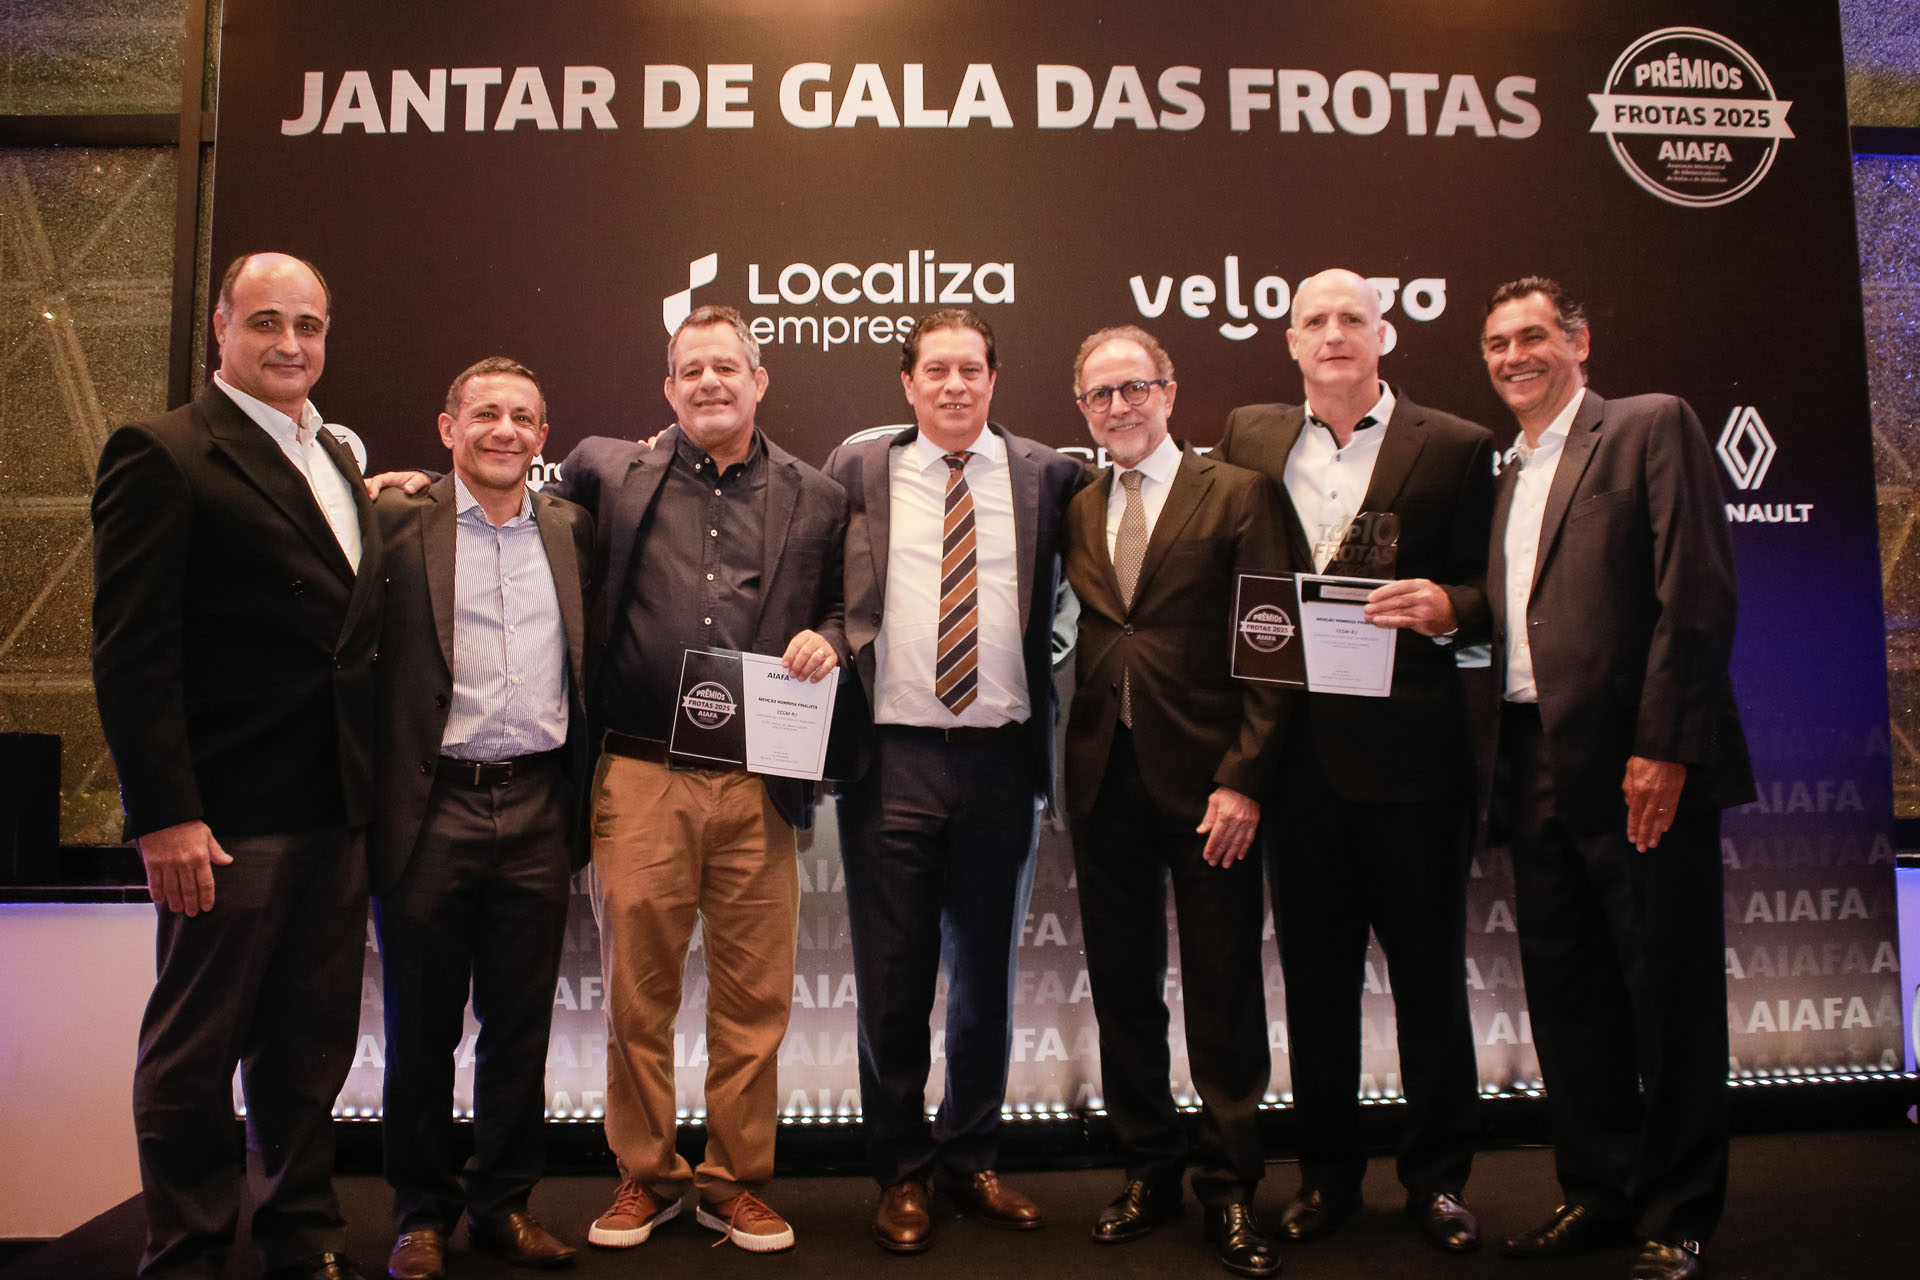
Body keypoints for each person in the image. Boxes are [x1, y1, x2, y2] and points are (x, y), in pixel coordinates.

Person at [91, 252, 381, 1280]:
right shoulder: (164, 451)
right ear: (221, 328)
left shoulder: (332, 456)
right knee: (196, 1049)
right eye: (266, 322)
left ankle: (302, 1231)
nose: (290, 344)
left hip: (335, 807)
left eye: (309, 325)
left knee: (309, 1044)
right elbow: (131, 653)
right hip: (225, 819)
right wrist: (165, 814)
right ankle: (189, 1248)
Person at [545, 305, 847, 1254]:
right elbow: (507, 506)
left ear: (760, 381)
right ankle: (646, 1174)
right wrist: (409, 486)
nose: (711, 381)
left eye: (728, 367)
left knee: (755, 1000)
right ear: (668, 387)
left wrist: (832, 638)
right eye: (692, 369)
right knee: (637, 995)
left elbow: (852, 604)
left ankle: (735, 1181)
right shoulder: (606, 471)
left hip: (761, 779)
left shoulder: (818, 495)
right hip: (642, 772)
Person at [1216, 267, 1493, 1255]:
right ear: (1291, 340)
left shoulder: (1456, 444)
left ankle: (1439, 1179)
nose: (1334, 333)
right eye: (1315, 320)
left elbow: (1495, 590)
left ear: (1386, 334)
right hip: (1296, 767)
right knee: (1316, 987)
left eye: (1352, 318)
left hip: (1415, 765)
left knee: (1430, 984)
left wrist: (1452, 607)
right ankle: (1327, 1175)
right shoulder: (1248, 437)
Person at [1480, 278, 1752, 1280]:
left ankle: (1678, 1211)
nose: (1515, 356)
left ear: (1579, 341)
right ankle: (1596, 1192)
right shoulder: (1505, 470)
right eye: (1498, 343)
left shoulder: (1647, 426)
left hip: (1638, 763)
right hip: (1530, 759)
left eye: (1533, 336)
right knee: (1569, 993)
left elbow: (1696, 592)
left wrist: (1665, 745)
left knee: (1668, 992)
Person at [821, 309, 1084, 1253]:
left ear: (994, 378)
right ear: (908, 383)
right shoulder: (858, 468)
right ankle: (900, 1170)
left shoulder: (1051, 474)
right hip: (891, 758)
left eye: (970, 369)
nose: (954, 385)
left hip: (1002, 759)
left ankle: (971, 1157)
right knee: (892, 979)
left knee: (987, 977)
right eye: (935, 370)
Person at [1062, 327, 1287, 1278]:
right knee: (1123, 992)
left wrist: (1245, 777)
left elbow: (1272, 642)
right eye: (1100, 395)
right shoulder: (1079, 505)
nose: (1118, 407)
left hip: (1210, 788)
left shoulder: (1236, 492)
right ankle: (1148, 1170)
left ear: (1169, 391)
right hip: (1103, 778)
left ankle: (1230, 1189)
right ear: (1082, 409)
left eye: (1134, 388)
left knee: (1223, 993)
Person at [368, 359, 593, 1280]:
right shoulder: (393, 521)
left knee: (520, 1026)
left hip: (538, 801)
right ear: (447, 427)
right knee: (421, 1027)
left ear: (543, 437)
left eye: (523, 418)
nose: (505, 430)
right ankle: (421, 1215)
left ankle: (505, 1205)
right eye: (487, 414)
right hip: (431, 806)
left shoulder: (571, 528)